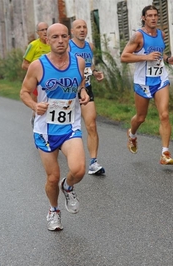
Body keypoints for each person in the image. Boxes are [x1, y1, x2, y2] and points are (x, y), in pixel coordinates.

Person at [20, 23, 90, 231]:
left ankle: (68, 188)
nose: (60, 40)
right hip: (45, 130)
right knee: (52, 177)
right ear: (47, 40)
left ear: (68, 38)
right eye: (55, 37)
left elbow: (81, 84)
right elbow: (24, 92)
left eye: (64, 36)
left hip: (70, 125)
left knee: (78, 169)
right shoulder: (38, 66)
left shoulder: (78, 62)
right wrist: (34, 105)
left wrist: (83, 92)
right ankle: (53, 210)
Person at [120, 5, 173, 165]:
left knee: (165, 115)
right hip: (142, 82)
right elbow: (124, 57)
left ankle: (165, 153)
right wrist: (145, 57)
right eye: (149, 15)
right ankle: (132, 135)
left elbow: (160, 53)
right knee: (141, 117)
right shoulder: (138, 36)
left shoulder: (161, 33)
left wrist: (168, 59)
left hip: (160, 79)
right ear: (143, 18)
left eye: (155, 15)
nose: (153, 18)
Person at [69, 19, 105, 175]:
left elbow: (89, 66)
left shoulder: (90, 46)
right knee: (67, 126)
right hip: (68, 90)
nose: (82, 30)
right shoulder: (68, 46)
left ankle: (93, 162)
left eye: (84, 27)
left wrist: (95, 73)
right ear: (72, 31)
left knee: (91, 125)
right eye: (78, 27)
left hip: (87, 89)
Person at [22, 22, 51, 125]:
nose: (45, 32)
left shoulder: (53, 44)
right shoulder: (33, 45)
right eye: (42, 30)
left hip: (53, 79)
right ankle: (35, 118)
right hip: (38, 81)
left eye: (46, 29)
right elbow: (24, 65)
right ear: (37, 33)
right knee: (39, 104)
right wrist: (38, 71)